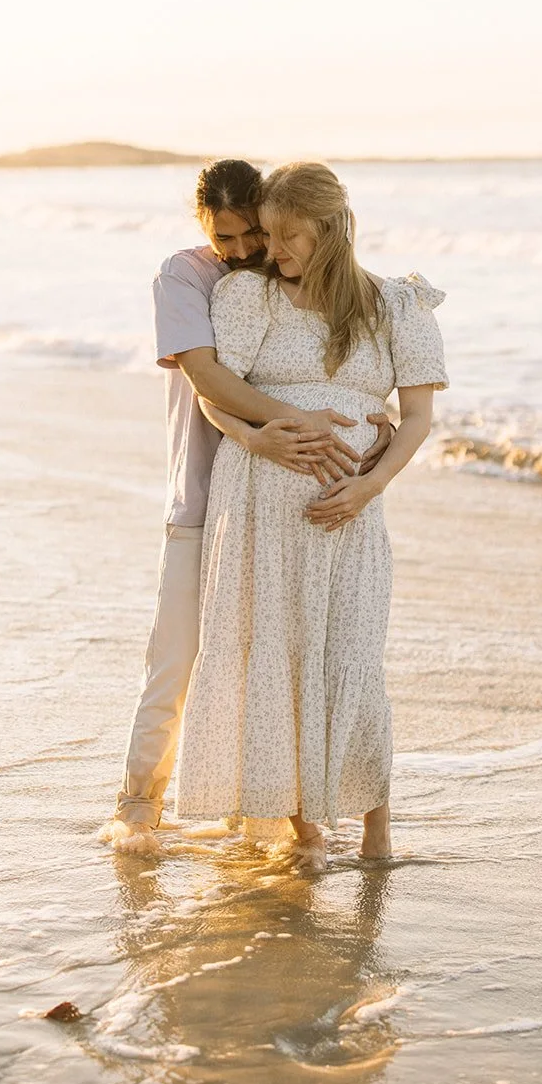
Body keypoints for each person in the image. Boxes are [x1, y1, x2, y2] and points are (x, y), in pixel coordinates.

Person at [104, 159, 392, 854]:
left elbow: (336, 354)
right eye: (224, 237)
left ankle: (267, 808)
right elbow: (206, 376)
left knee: (271, 659)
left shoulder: (282, 278)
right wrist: (295, 423)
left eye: (249, 236)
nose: (239, 250)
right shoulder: (186, 276)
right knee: (177, 656)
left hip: (279, 509)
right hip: (203, 494)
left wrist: (366, 418)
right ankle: (138, 802)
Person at [175, 161, 448, 871]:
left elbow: (417, 417)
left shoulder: (396, 305)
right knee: (275, 654)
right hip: (260, 505)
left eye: (290, 236)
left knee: (353, 654)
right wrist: (251, 434)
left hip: (349, 510)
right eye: (269, 234)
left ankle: (376, 832)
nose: (276, 250)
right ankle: (302, 829)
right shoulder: (246, 297)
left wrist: (372, 485)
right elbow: (214, 392)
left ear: (332, 230)